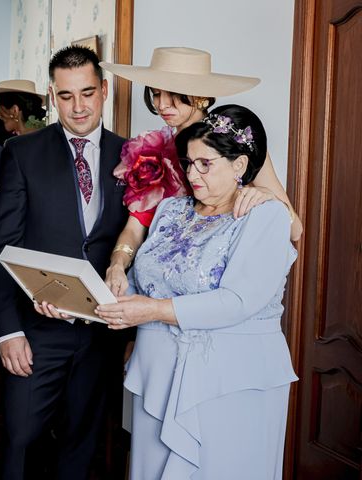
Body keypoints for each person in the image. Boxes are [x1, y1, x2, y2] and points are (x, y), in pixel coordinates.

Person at [95, 105, 298, 479]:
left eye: (205, 164)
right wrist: (108, 294)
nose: (192, 174)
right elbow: (149, 280)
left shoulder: (265, 217)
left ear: (239, 165)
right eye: (188, 163)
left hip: (229, 380)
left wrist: (152, 310)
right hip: (158, 374)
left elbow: (239, 301)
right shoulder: (171, 210)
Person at [0, 45, 128, 480]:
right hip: (37, 333)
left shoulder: (133, 156)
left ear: (104, 91)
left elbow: (141, 241)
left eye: (87, 93)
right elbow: (2, 247)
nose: (79, 106)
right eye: (66, 96)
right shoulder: (22, 152)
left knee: (82, 449)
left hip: (102, 336)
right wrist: (8, 330)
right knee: (20, 444)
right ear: (51, 95)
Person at [100, 47, 303, 297]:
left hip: (221, 287)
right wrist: (118, 264)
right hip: (159, 283)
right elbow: (135, 226)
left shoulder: (234, 141)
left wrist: (267, 196)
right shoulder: (153, 151)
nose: (162, 104)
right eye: (156, 94)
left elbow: (295, 230)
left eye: (173, 94)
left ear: (200, 96)